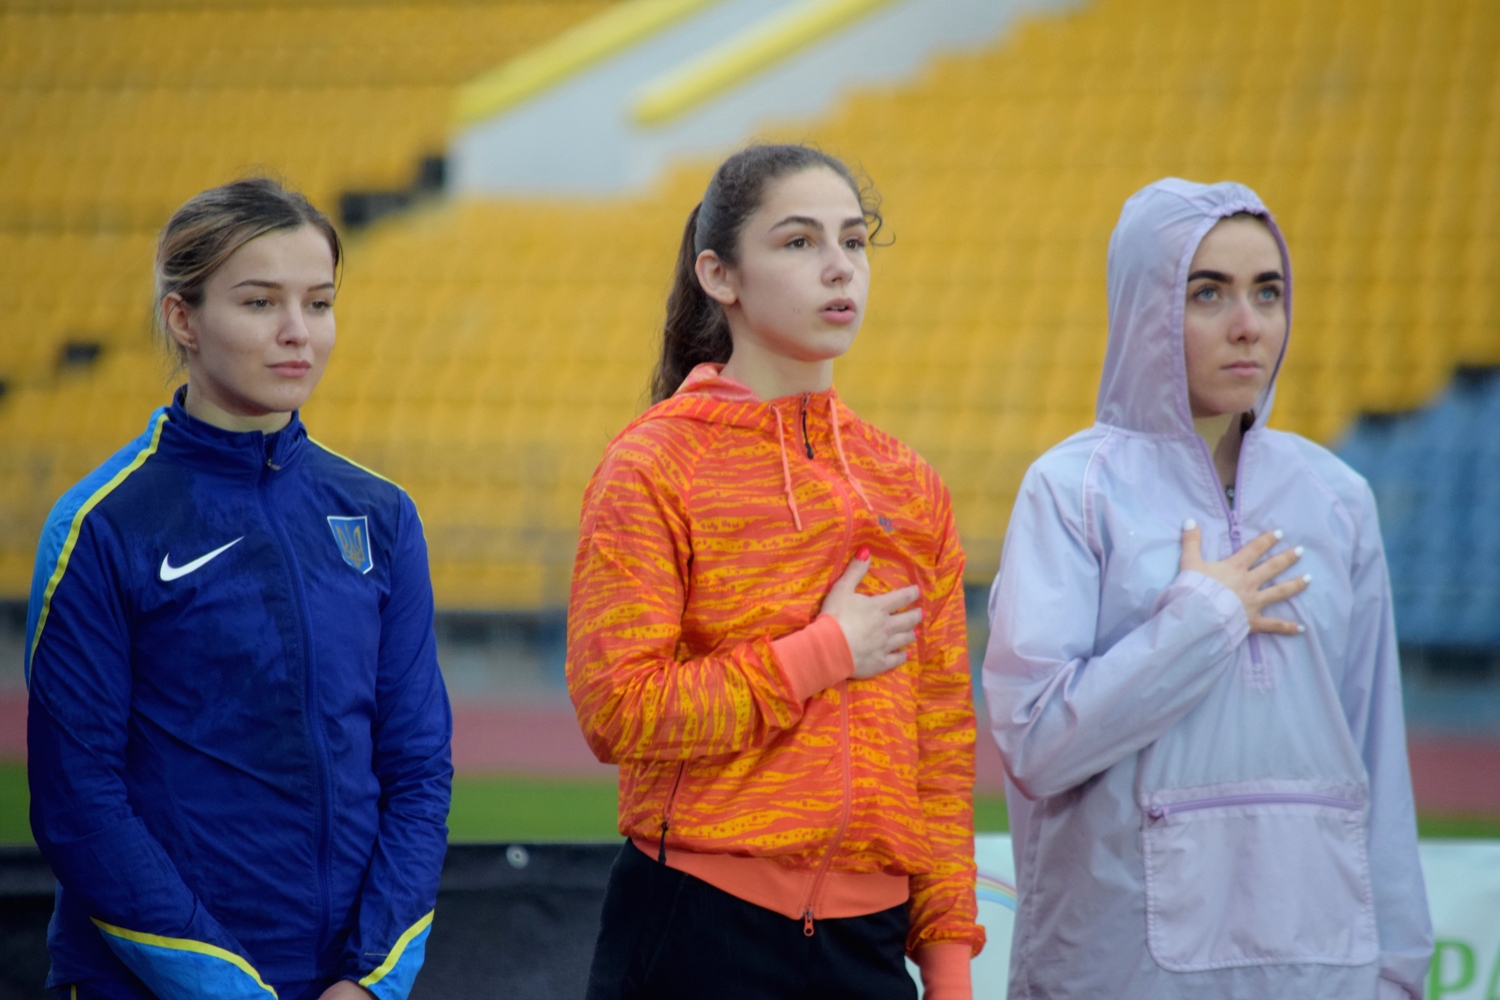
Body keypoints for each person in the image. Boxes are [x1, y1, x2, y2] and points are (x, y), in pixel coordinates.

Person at [983, 178, 1433, 998]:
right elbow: (1037, 744)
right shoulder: (1073, 489)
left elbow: (1375, 757)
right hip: (1121, 970)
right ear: (1145, 309)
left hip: (1320, 971)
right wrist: (1202, 621)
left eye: (1268, 291)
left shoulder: (1337, 500)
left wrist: (1399, 972)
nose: (1247, 324)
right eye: (1207, 292)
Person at [567, 144, 984, 1000]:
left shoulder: (909, 487)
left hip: (868, 950)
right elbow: (618, 709)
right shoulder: (653, 465)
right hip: (697, 926)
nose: (839, 268)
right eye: (799, 243)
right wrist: (822, 652)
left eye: (855, 242)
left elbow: (938, 749)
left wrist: (947, 967)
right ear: (719, 275)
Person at [25, 178, 452, 1000]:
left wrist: (371, 982)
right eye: (260, 303)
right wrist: (226, 990)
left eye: (319, 303)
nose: (299, 334)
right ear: (183, 320)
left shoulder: (380, 514)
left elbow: (418, 767)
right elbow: (80, 802)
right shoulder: (103, 525)